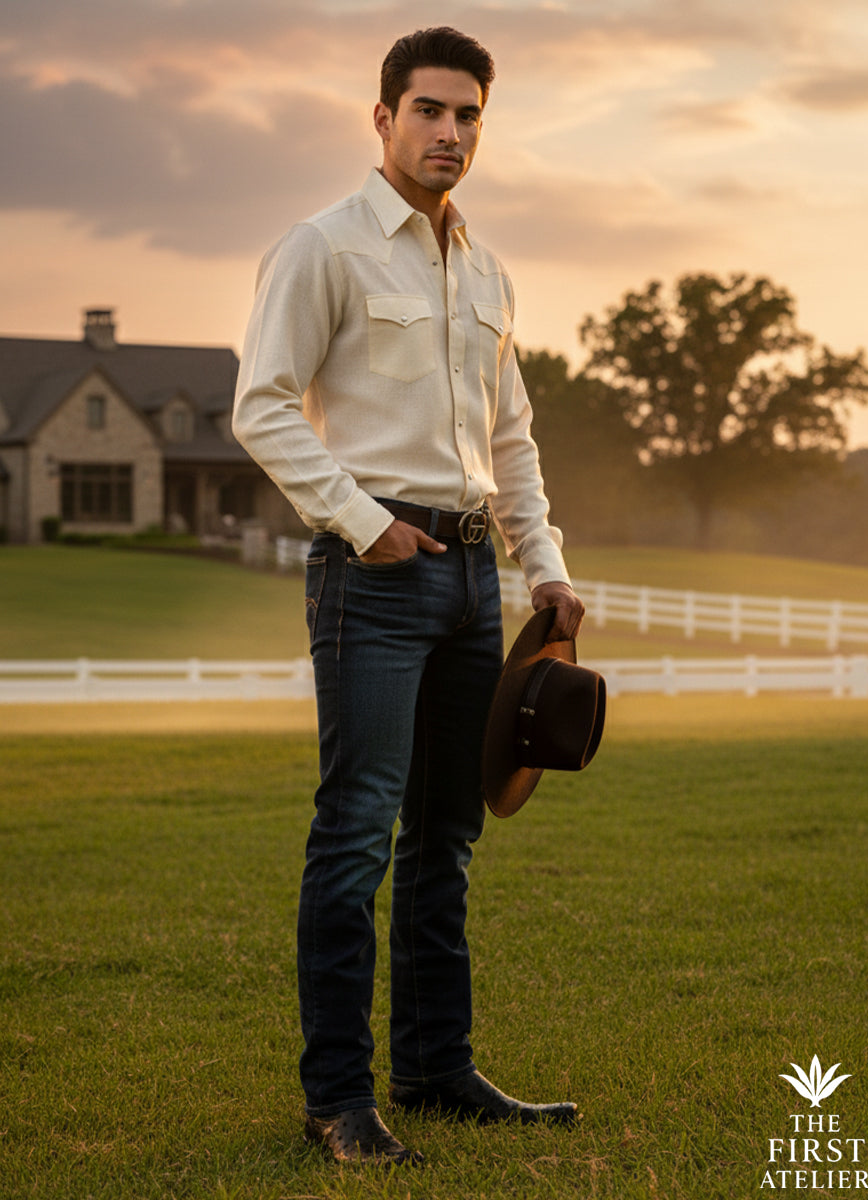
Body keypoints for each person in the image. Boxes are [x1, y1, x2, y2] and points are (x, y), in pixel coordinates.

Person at [232, 26, 585, 1166]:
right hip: (373, 575)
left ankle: (437, 1070)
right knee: (355, 836)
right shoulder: (322, 248)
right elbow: (262, 405)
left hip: (475, 579)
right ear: (382, 118)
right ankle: (338, 1100)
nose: (449, 132)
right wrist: (363, 521)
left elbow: (512, 438)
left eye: (468, 114)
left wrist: (545, 566)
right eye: (428, 110)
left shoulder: (487, 271)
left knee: (448, 834)